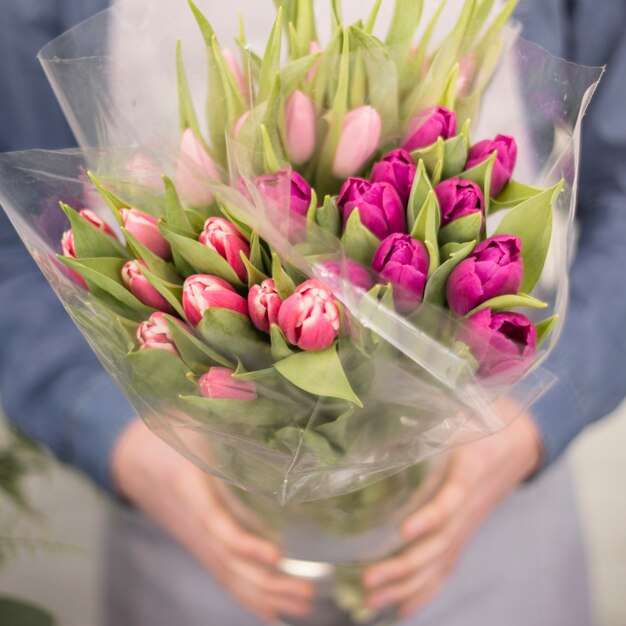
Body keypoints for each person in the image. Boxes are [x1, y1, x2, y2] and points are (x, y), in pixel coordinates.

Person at [0, 1, 624, 625]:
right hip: (189, 519)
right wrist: (116, 433)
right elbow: (13, 238)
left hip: (492, 512)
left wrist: (532, 420)